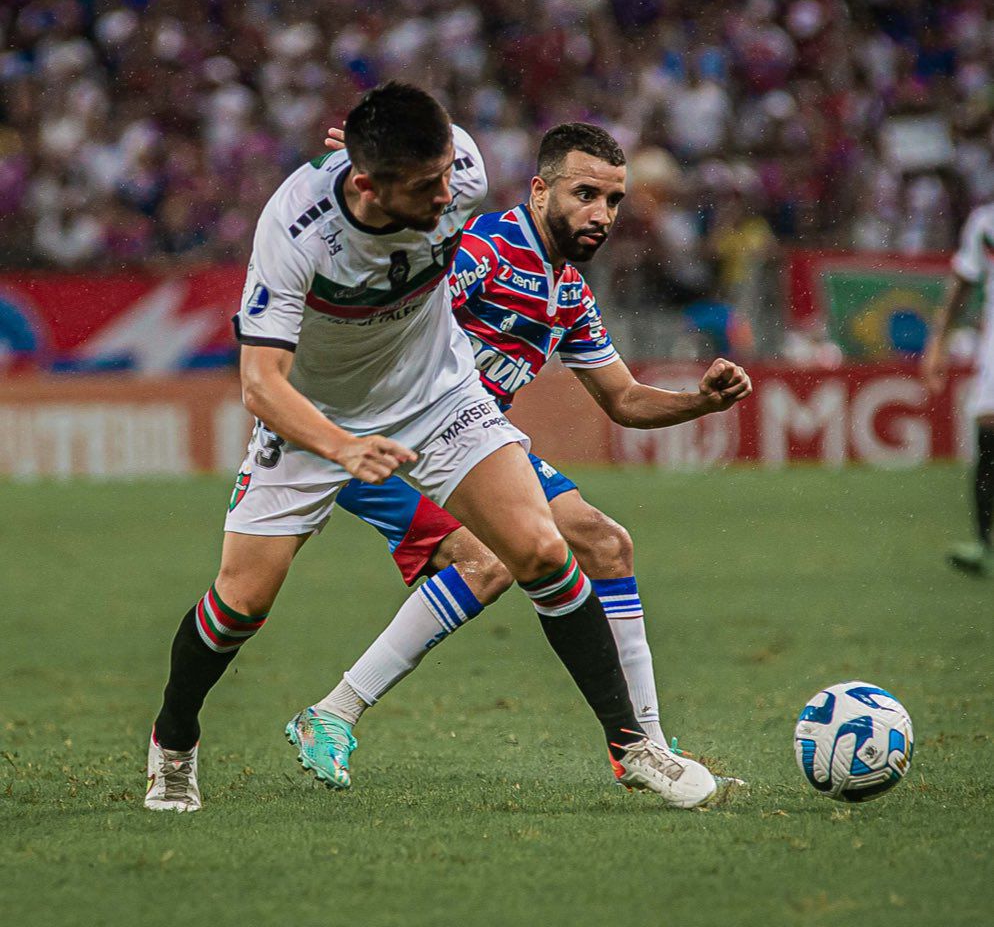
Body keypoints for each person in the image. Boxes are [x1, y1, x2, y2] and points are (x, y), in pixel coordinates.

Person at [145, 84, 720, 814]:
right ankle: (174, 740)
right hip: (313, 416)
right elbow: (261, 386)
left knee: (541, 551)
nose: (452, 196)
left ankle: (633, 747)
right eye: (428, 186)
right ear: (366, 184)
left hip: (438, 396)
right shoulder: (294, 233)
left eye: (451, 175)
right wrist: (343, 447)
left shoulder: (460, 173)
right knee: (241, 603)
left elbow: (421, 149)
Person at [303, 122, 752, 786]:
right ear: (540, 192)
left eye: (614, 200)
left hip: (473, 445)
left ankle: (645, 747)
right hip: (383, 439)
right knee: (492, 561)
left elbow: (624, 401)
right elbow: (403, 303)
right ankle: (333, 712)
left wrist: (701, 401)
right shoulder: (487, 248)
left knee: (605, 545)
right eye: (585, 194)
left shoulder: (566, 290)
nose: (601, 214)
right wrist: (378, 204)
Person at [921, 199, 994, 575]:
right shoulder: (985, 223)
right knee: (988, 431)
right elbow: (961, 286)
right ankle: (984, 545)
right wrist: (937, 345)